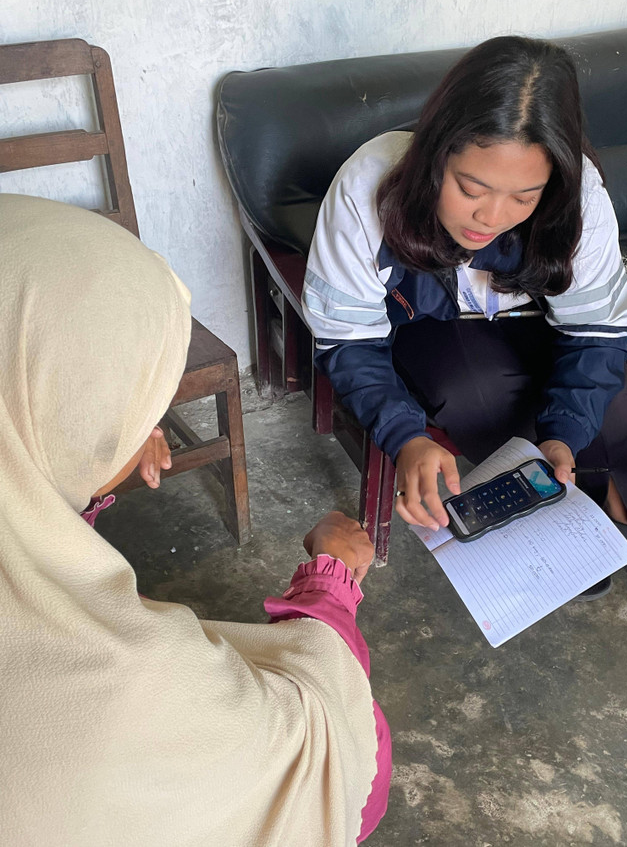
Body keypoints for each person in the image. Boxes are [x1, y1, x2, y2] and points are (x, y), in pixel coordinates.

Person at [0, 194, 390, 846]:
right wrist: (332, 584)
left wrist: (91, 471)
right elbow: (329, 764)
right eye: (135, 409)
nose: (155, 428)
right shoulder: (122, 694)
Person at [302, 35, 627, 594]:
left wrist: (564, 436)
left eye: (524, 197)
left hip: (532, 312)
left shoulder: (578, 196)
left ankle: (605, 508)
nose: (492, 217)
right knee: (481, 397)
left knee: (614, 409)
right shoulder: (368, 186)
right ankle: (573, 524)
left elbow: (594, 329)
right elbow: (349, 339)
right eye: (469, 187)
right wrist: (405, 436)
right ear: (437, 154)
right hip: (427, 325)